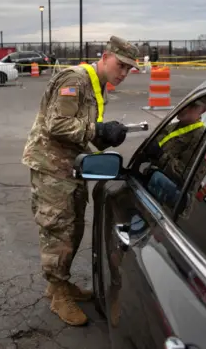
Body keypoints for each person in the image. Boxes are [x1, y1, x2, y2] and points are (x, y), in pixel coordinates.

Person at [21, 35, 139, 326]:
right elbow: (57, 124)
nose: (123, 73)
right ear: (106, 56)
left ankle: (60, 284)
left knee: (72, 229)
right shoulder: (74, 80)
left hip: (71, 166)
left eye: (129, 69)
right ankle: (58, 293)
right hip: (51, 167)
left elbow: (82, 128)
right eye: (121, 65)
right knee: (57, 229)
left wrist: (106, 135)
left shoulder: (98, 87)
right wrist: (96, 129)